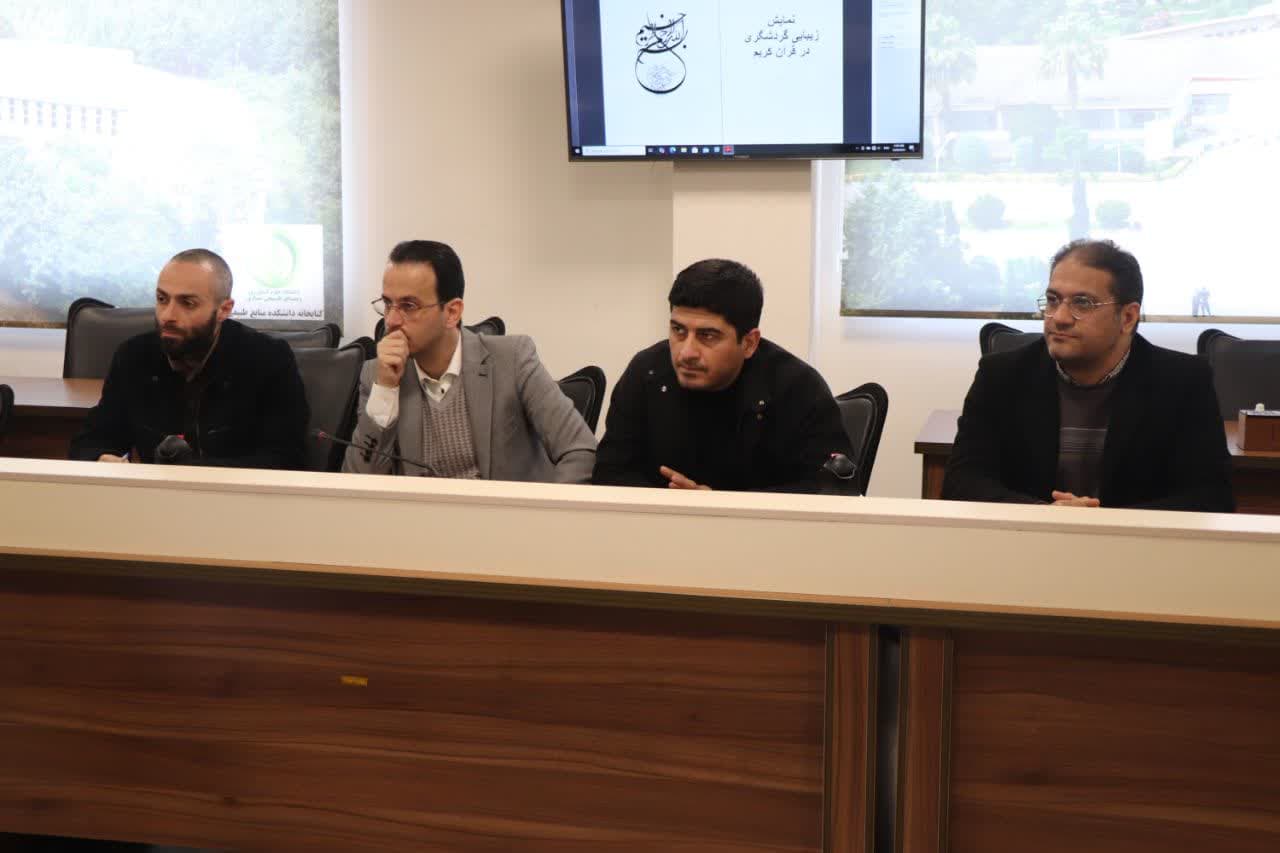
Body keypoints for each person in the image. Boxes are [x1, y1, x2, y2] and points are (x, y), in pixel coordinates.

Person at [942, 239, 1234, 511]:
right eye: (1053, 300)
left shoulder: (1183, 382)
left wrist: (1101, 522)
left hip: (1133, 546)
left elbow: (1211, 497)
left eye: (1082, 303)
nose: (1059, 317)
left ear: (1128, 317)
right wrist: (1046, 515)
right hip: (1026, 542)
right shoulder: (1001, 375)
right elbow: (961, 482)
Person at [342, 240, 596, 482]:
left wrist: (542, 511)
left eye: (408, 306)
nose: (391, 320)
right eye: (388, 304)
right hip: (421, 514)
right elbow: (359, 482)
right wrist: (385, 391)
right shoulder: (378, 375)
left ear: (452, 312)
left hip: (501, 512)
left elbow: (579, 449)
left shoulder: (512, 360)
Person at [593, 258, 851, 492]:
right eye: (678, 331)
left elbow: (832, 490)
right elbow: (609, 473)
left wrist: (721, 508)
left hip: (760, 529)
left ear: (749, 343)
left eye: (707, 336)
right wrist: (674, 508)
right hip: (658, 525)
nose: (687, 352)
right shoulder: (647, 372)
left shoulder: (797, 388)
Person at [70, 248, 308, 468]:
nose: (168, 315)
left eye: (188, 303)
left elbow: (287, 457)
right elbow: (92, 440)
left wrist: (192, 474)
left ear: (224, 310)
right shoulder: (134, 356)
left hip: (238, 496)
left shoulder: (267, 359)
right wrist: (102, 457)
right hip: (155, 497)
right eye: (162, 299)